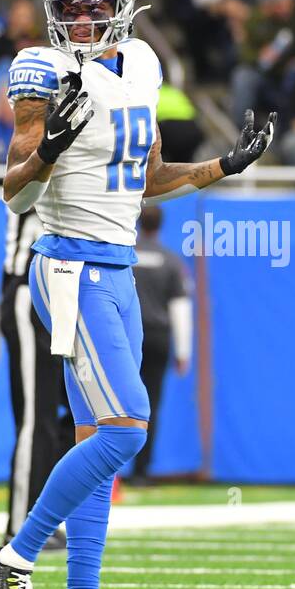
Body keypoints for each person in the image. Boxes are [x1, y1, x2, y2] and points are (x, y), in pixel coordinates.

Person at [0, 0, 273, 589]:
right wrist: (48, 145)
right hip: (68, 267)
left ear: (122, 10)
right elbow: (14, 192)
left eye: (95, 8)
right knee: (127, 428)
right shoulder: (42, 70)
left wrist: (222, 166)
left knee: (94, 436)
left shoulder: (141, 65)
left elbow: (148, 176)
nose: (81, 22)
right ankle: (13, 558)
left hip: (118, 267)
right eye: (69, 10)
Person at [0, 206, 74, 544]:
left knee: (69, 416)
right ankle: (21, 527)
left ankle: (41, 516)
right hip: (29, 292)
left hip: (65, 297)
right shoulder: (40, 160)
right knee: (33, 419)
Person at [130, 205, 193, 482]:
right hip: (158, 338)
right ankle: (141, 471)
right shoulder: (170, 261)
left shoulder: (127, 255)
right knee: (150, 405)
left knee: (114, 402)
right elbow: (180, 308)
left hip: (127, 336)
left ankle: (106, 471)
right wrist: (182, 351)